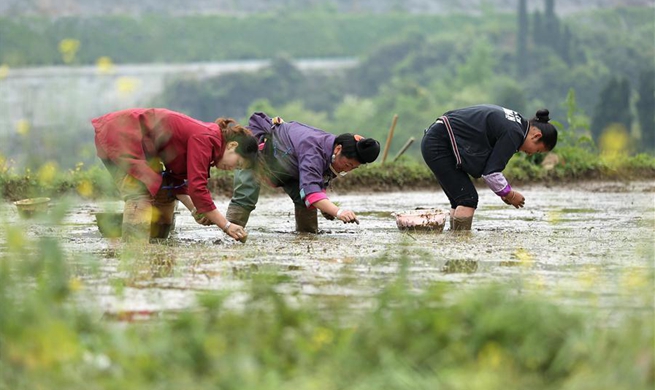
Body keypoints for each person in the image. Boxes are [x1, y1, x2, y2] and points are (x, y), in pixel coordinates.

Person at [93, 108, 258, 242]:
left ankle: (155, 241)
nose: (232, 168)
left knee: (164, 194)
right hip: (121, 136)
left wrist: (195, 210)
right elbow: (197, 188)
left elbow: (175, 181)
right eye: (237, 163)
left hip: (133, 144)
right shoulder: (205, 138)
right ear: (232, 146)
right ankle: (133, 250)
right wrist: (227, 225)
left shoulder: (208, 141)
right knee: (139, 194)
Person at [225, 112, 381, 233]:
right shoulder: (313, 149)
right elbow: (312, 192)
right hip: (257, 155)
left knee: (305, 204)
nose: (346, 170)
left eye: (352, 168)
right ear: (338, 149)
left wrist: (325, 206)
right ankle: (231, 236)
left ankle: (307, 237)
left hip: (288, 168)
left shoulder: (332, 152)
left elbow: (315, 182)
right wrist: (338, 211)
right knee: (246, 196)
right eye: (347, 164)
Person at [421, 104, 558, 231]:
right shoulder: (514, 133)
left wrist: (504, 192)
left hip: (438, 138)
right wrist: (510, 194)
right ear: (536, 136)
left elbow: (490, 168)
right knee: (468, 199)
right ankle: (460, 245)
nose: (531, 154)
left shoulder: (516, 123)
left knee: (459, 200)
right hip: (440, 143)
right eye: (537, 150)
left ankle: (454, 238)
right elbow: (491, 173)